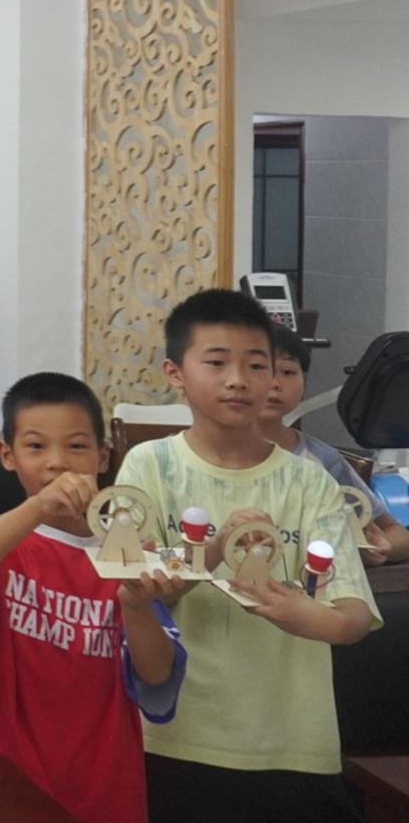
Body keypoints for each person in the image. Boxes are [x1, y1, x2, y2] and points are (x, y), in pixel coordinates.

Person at [116, 289, 378, 822]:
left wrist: (306, 615)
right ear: (175, 373)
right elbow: (136, 587)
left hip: (293, 741)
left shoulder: (309, 481)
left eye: (257, 365)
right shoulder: (148, 466)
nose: (239, 379)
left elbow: (353, 615)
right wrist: (212, 551)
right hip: (178, 734)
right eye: (217, 362)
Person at [0, 372, 186, 823]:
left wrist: (135, 605)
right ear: (6, 455)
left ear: (102, 456)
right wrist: (38, 507)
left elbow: (156, 673)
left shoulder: (128, 553)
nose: (57, 463)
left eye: (76, 446)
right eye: (36, 446)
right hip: (1, 770)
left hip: (103, 779)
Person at [261, 324, 408, 564]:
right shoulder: (199, 460)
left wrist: (368, 550)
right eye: (259, 369)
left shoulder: (321, 459)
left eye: (287, 371)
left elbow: (396, 534)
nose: (275, 383)